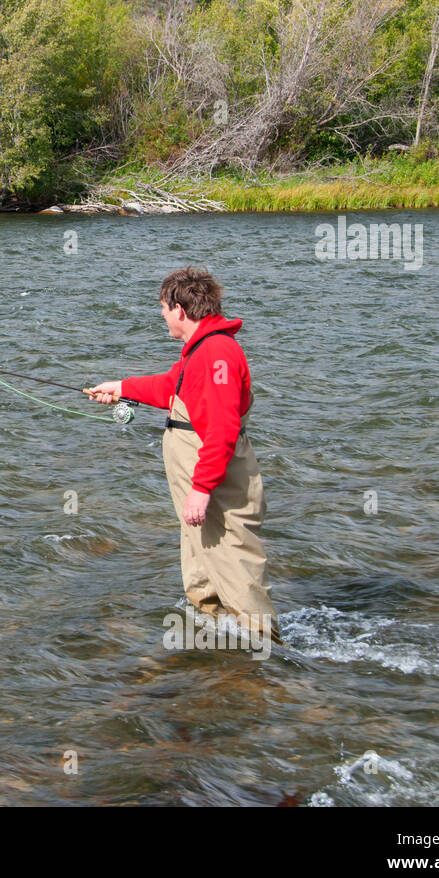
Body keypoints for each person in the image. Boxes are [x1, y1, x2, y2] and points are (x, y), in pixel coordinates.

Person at [85, 266, 282, 646]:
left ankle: (269, 658)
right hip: (203, 480)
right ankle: (225, 653)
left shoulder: (217, 353)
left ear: (179, 308)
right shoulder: (201, 349)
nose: (160, 314)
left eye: (162, 307)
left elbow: (223, 427)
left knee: (236, 565)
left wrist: (202, 488)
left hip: (217, 482)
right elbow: (170, 386)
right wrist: (120, 387)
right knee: (203, 572)